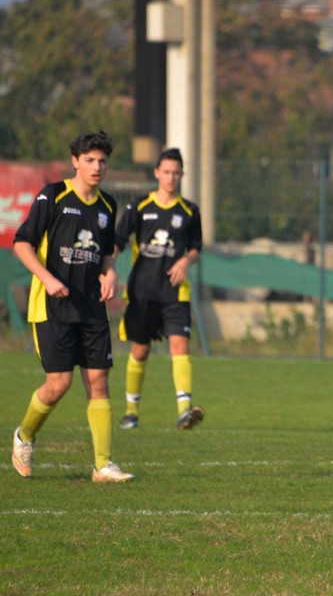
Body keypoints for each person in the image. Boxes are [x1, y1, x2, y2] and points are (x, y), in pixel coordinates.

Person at [11, 130, 134, 482]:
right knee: (59, 384)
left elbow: (107, 253)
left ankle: (102, 465)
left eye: (103, 161)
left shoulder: (108, 205)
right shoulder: (53, 196)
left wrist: (110, 275)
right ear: (75, 162)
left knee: (98, 381)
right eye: (91, 160)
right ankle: (25, 436)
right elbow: (23, 244)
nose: (98, 167)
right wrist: (47, 279)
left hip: (92, 307)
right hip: (52, 306)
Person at [113, 148, 204, 430]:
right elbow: (118, 239)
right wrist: (108, 270)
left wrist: (185, 262)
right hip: (142, 291)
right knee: (140, 350)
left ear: (182, 175)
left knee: (180, 346)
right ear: (157, 173)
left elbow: (196, 248)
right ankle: (131, 411)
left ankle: (184, 410)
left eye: (176, 172)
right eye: (166, 172)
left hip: (176, 293)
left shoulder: (189, 211)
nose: (171, 177)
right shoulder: (140, 207)